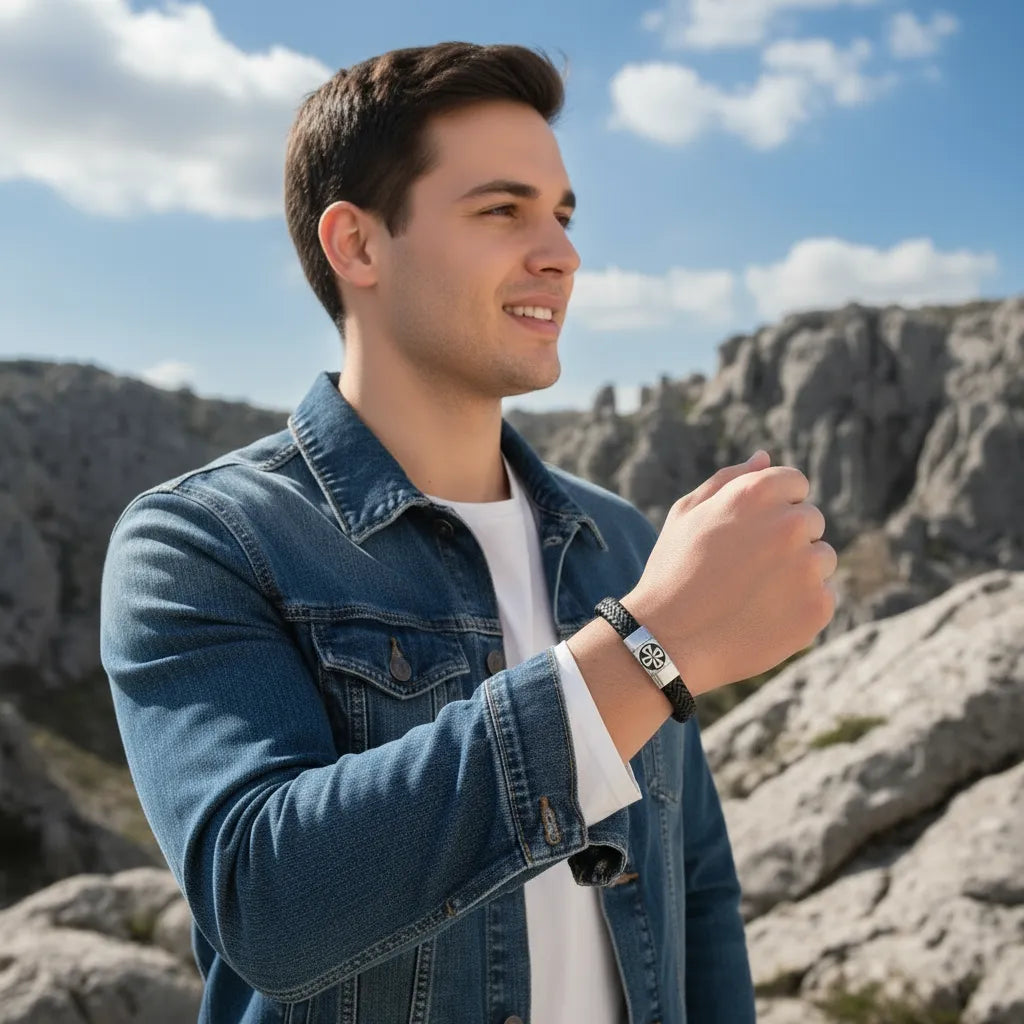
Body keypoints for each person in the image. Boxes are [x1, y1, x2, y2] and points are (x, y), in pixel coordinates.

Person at [100, 42, 836, 1024]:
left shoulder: (618, 539)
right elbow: (267, 901)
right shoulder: (202, 542)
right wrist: (651, 649)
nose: (562, 253)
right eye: (503, 209)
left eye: (563, 214)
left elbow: (693, 880)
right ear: (357, 245)